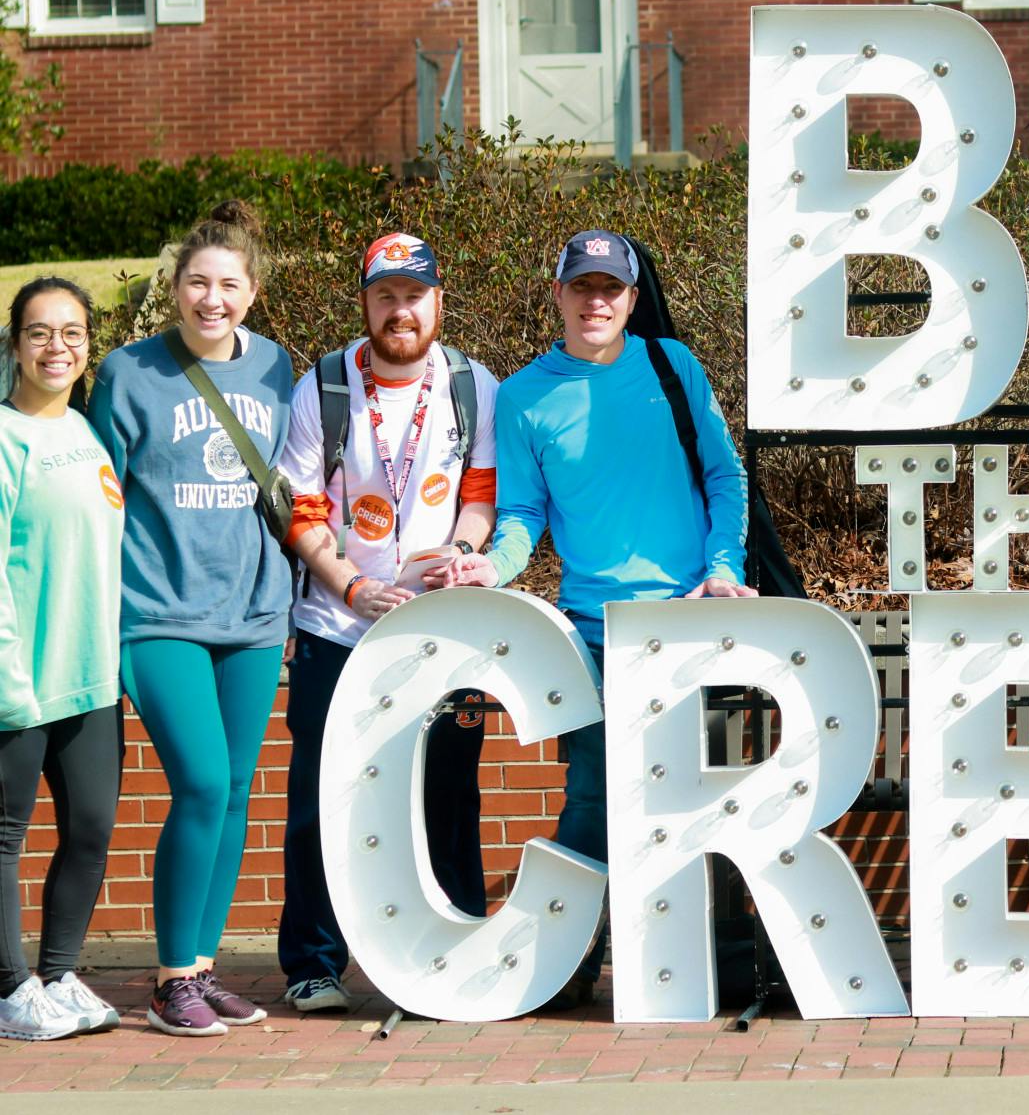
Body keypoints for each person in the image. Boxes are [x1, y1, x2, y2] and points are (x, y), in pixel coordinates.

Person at [438, 229, 753, 1007]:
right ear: (559, 294)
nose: (596, 301)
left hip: (691, 624)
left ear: (633, 299)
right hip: (593, 632)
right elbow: (522, 514)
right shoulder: (523, 396)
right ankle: (565, 962)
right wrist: (491, 565)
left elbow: (725, 475)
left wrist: (723, 568)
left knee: (700, 796)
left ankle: (715, 962)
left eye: (611, 288)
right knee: (593, 795)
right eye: (582, 286)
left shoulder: (672, 367)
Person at [272, 233, 500, 1013]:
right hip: (336, 627)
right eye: (385, 296)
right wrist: (352, 585)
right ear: (365, 302)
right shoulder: (325, 385)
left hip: (441, 629)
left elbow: (481, 496)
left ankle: (454, 951)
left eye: (414, 295)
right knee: (321, 796)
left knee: (449, 792)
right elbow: (302, 509)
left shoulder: (472, 385)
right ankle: (313, 962)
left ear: (439, 301)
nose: (400, 311)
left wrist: (462, 554)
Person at [89, 203, 294, 1037]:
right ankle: (170, 977)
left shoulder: (277, 367)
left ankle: (201, 969)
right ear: (173, 287)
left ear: (254, 291)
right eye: (198, 282)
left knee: (236, 789)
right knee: (203, 781)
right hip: (158, 610)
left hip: (254, 608)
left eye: (229, 284)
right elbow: (99, 498)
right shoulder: (128, 372)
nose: (213, 298)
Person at [0, 279, 125, 1041]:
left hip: (90, 677)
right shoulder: (4, 436)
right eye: (40, 332)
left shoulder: (85, 429)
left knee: (92, 827)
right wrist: (7, 679)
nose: (57, 347)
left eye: (72, 332)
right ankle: (10, 988)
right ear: (15, 344)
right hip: (19, 681)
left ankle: (58, 974)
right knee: (4, 838)